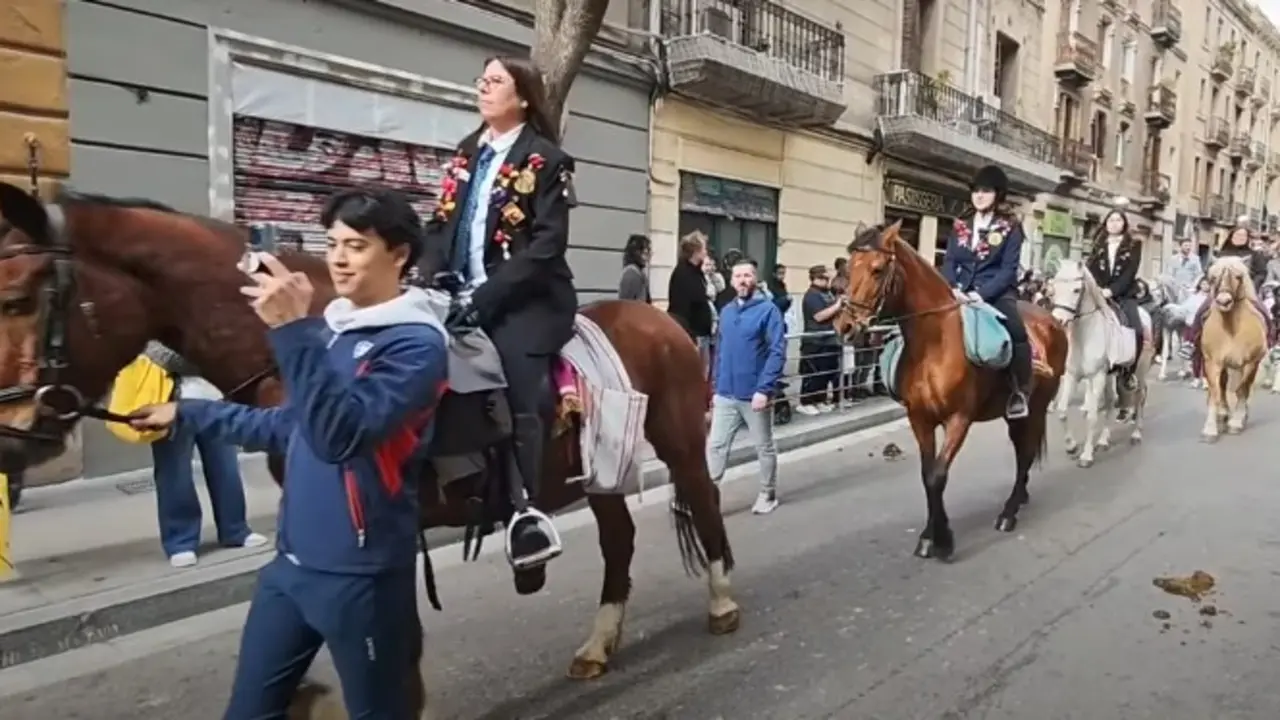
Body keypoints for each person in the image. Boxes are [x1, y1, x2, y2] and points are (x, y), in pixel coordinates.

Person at [129, 189, 447, 718]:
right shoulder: (333, 331)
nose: (339, 259)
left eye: (357, 246)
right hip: (290, 568)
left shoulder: (416, 345)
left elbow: (338, 436)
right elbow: (290, 428)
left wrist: (292, 330)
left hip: (360, 576)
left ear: (399, 255)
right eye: (333, 244)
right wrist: (188, 412)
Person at [416, 55, 577, 578]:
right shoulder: (468, 152)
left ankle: (526, 513)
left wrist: (485, 298)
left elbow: (547, 246)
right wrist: (426, 272)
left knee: (518, 386)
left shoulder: (547, 160)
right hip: (458, 292)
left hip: (526, 299)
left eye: (495, 81)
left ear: (523, 97)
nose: (483, 88)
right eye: (481, 80)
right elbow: (440, 225)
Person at [143, 341, 267, 568]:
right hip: (171, 404)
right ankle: (180, 541)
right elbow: (154, 354)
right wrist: (202, 357)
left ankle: (235, 530)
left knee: (226, 468)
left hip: (215, 401)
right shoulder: (159, 324)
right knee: (174, 472)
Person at [940, 164, 1031, 419]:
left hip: (996, 292)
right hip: (959, 291)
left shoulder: (1010, 227)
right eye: (976, 191)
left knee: (1017, 330)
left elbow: (1008, 270)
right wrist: (953, 287)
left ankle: (1019, 391)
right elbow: (950, 260)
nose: (979, 196)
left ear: (997, 195)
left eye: (986, 191)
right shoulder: (961, 225)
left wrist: (981, 294)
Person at [707, 258, 787, 515]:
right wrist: (715, 386)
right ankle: (707, 497)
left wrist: (764, 389)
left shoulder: (768, 311)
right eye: (738, 276)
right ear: (732, 281)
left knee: (764, 447)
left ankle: (767, 494)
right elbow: (720, 351)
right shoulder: (727, 311)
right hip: (726, 394)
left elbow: (777, 352)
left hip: (755, 395)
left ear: (755, 279)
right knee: (716, 447)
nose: (742, 281)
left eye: (747, 276)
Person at [1085, 206, 1144, 391]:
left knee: (1137, 329)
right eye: (1111, 220)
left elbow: (1130, 272)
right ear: (1105, 224)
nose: (1114, 224)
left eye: (1118, 220)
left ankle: (1129, 372)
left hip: (1124, 295)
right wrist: (1095, 288)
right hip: (1099, 293)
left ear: (1124, 223)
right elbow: (1090, 268)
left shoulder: (1134, 245)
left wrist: (1112, 291)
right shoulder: (1097, 244)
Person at [798, 264, 841, 413]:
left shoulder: (828, 294)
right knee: (813, 373)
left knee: (826, 372)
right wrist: (837, 306)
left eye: (827, 278)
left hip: (829, 340)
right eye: (823, 278)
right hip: (815, 341)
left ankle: (819, 399)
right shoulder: (811, 295)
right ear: (815, 278)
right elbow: (819, 316)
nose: (826, 281)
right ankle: (806, 402)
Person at [667, 230, 715, 365]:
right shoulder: (683, 273)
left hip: (702, 334)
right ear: (696, 251)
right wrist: (690, 336)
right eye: (704, 248)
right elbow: (681, 307)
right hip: (693, 335)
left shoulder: (697, 272)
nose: (706, 252)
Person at [618, 234, 651, 302]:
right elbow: (628, 303)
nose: (648, 257)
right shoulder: (631, 274)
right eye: (645, 253)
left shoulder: (639, 273)